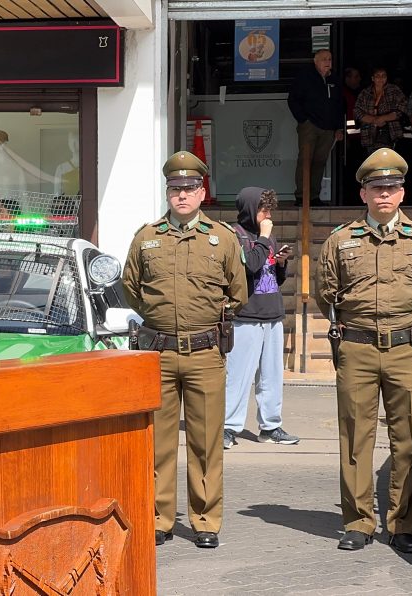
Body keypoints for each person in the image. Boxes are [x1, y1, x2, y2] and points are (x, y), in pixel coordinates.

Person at [122, 151, 247, 549]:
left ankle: (206, 519)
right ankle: (159, 518)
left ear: (202, 192)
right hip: (157, 352)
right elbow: (131, 287)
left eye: (189, 188)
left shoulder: (223, 238)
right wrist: (156, 319)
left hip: (205, 354)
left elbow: (237, 293)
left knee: (206, 441)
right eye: (175, 189)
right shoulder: (146, 237)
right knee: (157, 442)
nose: (181, 195)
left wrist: (207, 320)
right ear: (167, 193)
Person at [315, 148, 412, 553]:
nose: (384, 195)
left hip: (409, 349)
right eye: (376, 188)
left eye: (391, 188)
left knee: (410, 441)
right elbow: (326, 291)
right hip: (357, 349)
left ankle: (402, 525)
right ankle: (359, 521)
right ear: (363, 194)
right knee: (356, 438)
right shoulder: (341, 240)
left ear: (402, 193)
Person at [223, 187, 299, 450]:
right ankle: (229, 427)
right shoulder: (234, 236)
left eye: (269, 210)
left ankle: (270, 426)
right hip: (246, 316)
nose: (267, 215)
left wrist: (280, 263)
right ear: (249, 209)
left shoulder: (267, 237)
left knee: (271, 376)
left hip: (272, 314)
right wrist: (265, 239)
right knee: (238, 375)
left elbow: (273, 279)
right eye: (262, 210)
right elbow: (250, 267)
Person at [288, 49, 345, 207]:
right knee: (305, 160)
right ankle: (301, 196)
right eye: (324, 59)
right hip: (310, 126)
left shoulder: (335, 79)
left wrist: (339, 127)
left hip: (328, 128)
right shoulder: (305, 77)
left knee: (320, 162)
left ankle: (313, 196)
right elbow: (293, 100)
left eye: (330, 59)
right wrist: (303, 120)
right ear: (316, 61)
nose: (328, 62)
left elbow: (340, 105)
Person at [354, 67, 407, 154]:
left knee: (388, 160)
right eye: (377, 76)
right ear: (372, 78)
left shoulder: (394, 90)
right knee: (372, 162)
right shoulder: (365, 93)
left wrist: (384, 118)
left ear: (386, 78)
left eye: (383, 76)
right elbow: (357, 111)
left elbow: (403, 108)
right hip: (369, 133)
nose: (381, 78)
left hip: (390, 133)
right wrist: (374, 120)